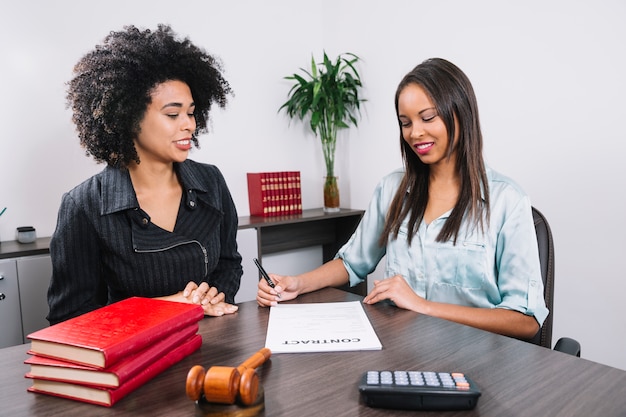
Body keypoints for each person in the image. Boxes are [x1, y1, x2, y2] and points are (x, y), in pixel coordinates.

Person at [257, 58, 549, 340]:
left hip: (475, 365)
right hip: (402, 352)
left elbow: (526, 321)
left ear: (460, 112)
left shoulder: (506, 200)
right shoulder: (393, 188)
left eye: (427, 117)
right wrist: (297, 283)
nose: (415, 133)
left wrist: (422, 306)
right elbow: (351, 263)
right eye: (405, 122)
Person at [47, 25, 242, 324]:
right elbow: (71, 319)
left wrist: (216, 297)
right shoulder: (84, 205)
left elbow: (229, 264)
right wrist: (170, 307)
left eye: (191, 112)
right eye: (173, 114)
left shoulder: (211, 181)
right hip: (135, 359)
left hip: (211, 344)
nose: (189, 124)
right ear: (128, 117)